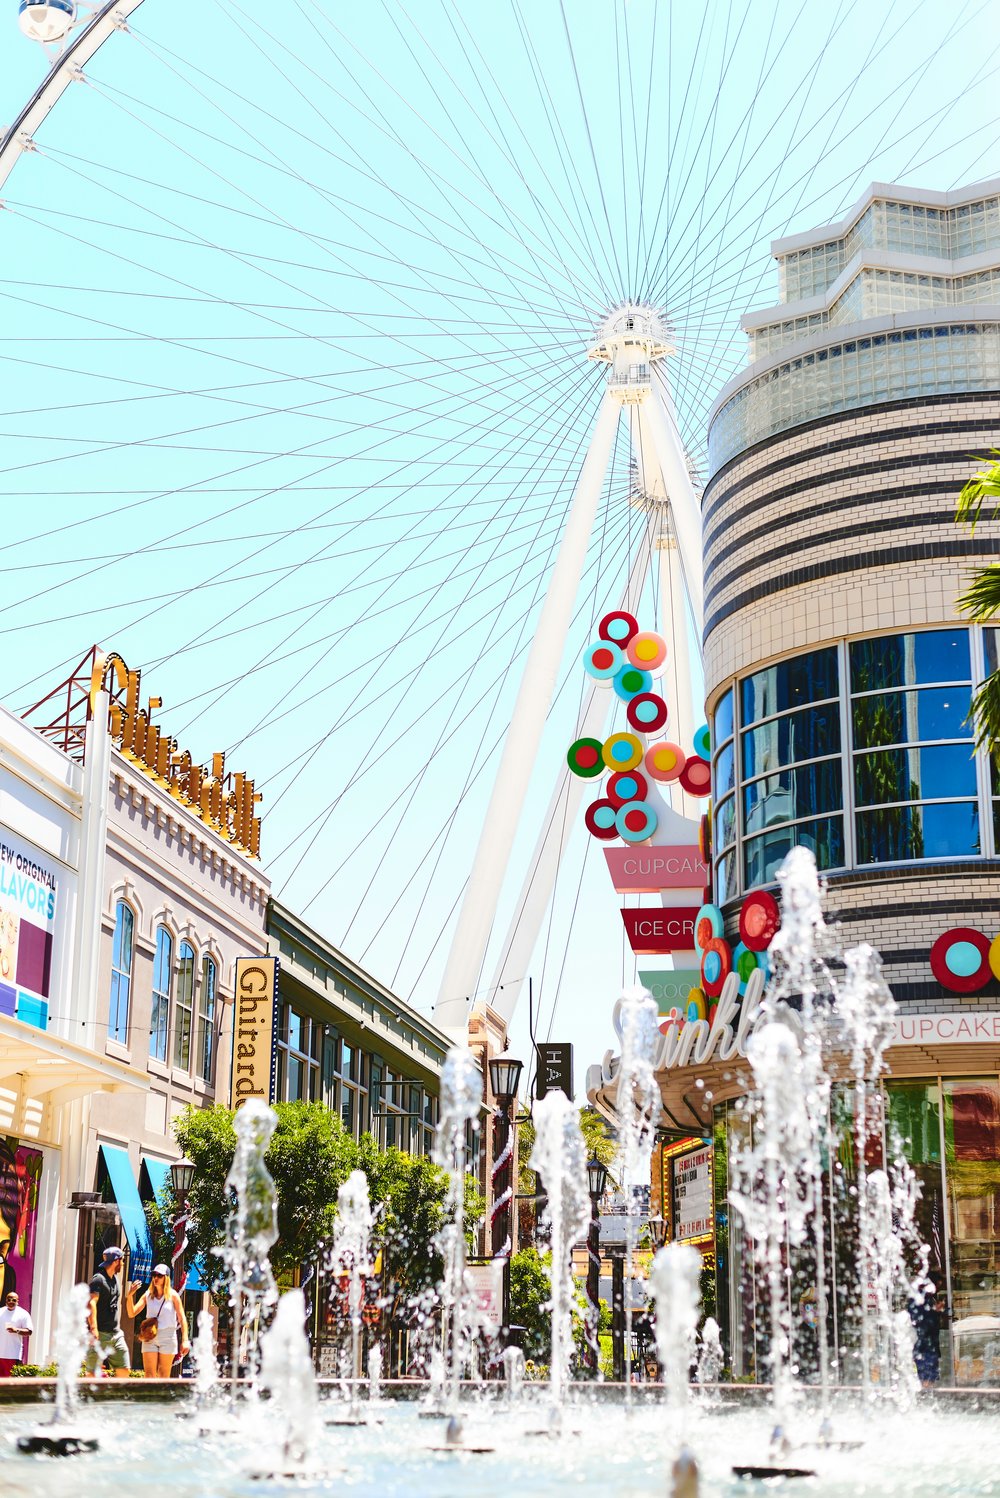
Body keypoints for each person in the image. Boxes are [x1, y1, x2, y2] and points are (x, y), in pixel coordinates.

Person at [126, 1263, 190, 1378]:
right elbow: (131, 1313)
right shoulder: (148, 1295)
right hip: (150, 1336)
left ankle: (161, 1396)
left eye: (159, 1275)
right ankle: (150, 1396)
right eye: (154, 1275)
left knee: (163, 1376)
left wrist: (185, 1340)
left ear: (166, 1278)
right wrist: (130, 1296)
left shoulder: (173, 1296)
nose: (155, 1278)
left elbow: (182, 1318)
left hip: (168, 1336)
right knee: (149, 1375)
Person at [85, 1246, 130, 1377]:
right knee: (92, 1374)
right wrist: (93, 1328)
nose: (122, 1263)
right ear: (116, 1261)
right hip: (101, 1334)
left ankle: (114, 1396)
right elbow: (91, 1303)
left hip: (116, 1334)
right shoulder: (98, 1279)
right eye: (122, 1261)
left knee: (124, 1370)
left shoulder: (115, 1279)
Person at [909, 1281, 941, 1387]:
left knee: (926, 1376)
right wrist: (936, 1312)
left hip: (923, 1347)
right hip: (926, 1347)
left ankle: (926, 1394)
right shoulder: (923, 1302)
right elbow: (925, 1325)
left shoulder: (918, 1301)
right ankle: (926, 1394)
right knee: (927, 1377)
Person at [0, 1290, 33, 1375]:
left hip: (13, 1354)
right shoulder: (1, 1311)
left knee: (9, 1382)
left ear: (17, 1301)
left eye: (14, 1300)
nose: (11, 1301)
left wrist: (16, 1330)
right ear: (6, 1300)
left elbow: (29, 1331)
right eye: (9, 1299)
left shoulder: (23, 1314)